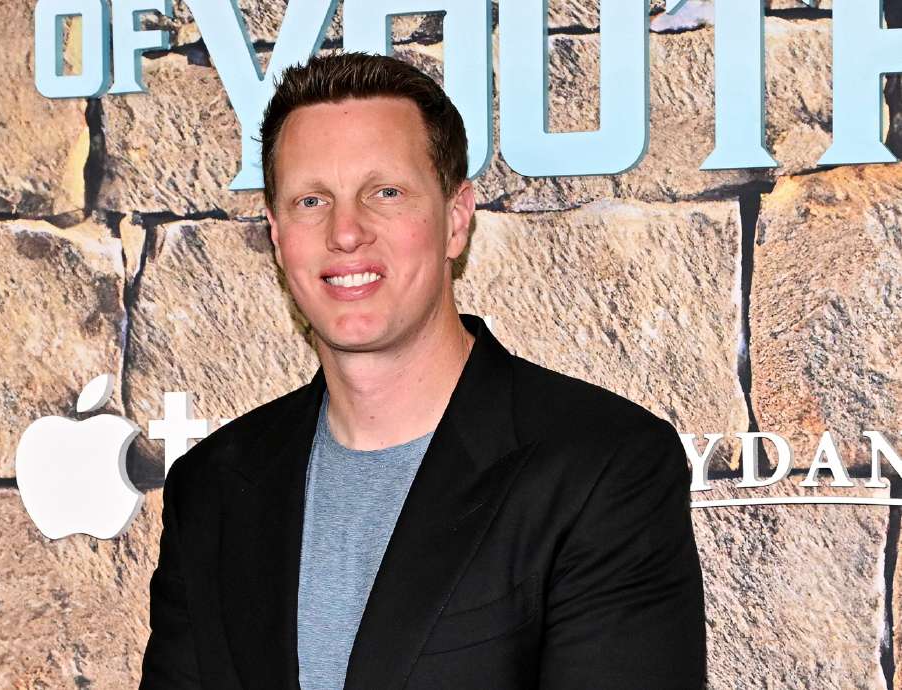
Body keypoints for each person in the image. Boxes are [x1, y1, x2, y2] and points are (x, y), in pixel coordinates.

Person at [140, 52, 705, 689]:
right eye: (310, 200)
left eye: (385, 193)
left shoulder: (603, 469)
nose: (345, 232)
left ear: (456, 219)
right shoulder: (210, 489)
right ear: (276, 235)